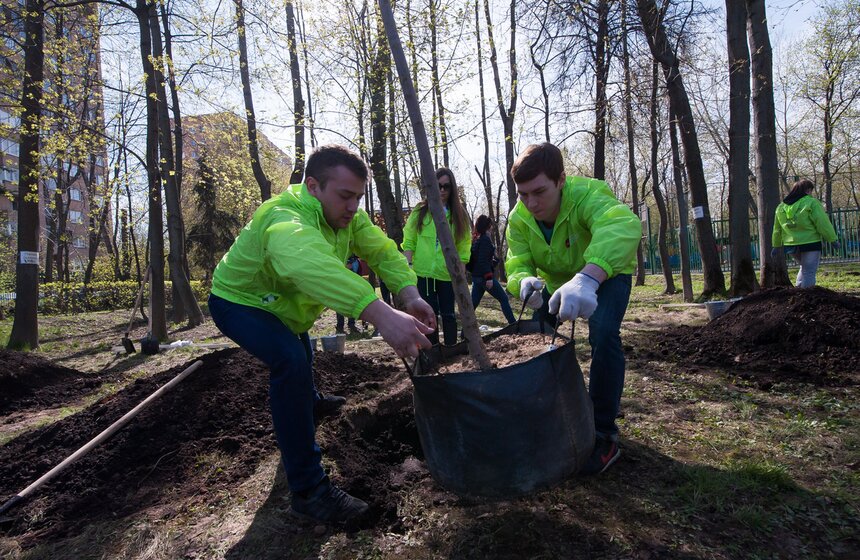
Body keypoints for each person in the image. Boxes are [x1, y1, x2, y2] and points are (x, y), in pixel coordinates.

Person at [208, 145, 436, 524]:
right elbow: (307, 263)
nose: (352, 207)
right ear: (313, 186)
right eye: (344, 196)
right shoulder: (282, 216)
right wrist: (380, 314)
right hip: (239, 301)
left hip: (281, 307)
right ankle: (309, 491)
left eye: (358, 198)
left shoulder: (349, 218)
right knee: (291, 360)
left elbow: (382, 251)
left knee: (301, 349)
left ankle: (308, 404)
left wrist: (408, 293)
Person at [504, 143, 641, 475]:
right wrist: (523, 282)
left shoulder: (588, 195)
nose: (531, 203)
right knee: (538, 341)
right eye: (523, 195)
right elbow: (517, 261)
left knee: (604, 334)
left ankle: (604, 433)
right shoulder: (519, 218)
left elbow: (622, 226)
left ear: (561, 180)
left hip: (604, 274)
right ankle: (553, 417)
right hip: (554, 283)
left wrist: (588, 278)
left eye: (539, 192)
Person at [401, 167, 471, 345]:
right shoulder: (420, 211)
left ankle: (450, 351)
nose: (441, 190)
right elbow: (409, 241)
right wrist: (408, 267)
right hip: (423, 274)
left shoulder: (459, 215)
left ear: (452, 189)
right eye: (437, 186)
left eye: (446, 187)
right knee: (427, 316)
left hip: (448, 276)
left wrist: (460, 275)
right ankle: (430, 352)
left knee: (448, 315)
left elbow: (463, 248)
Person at [771, 179, 838, 288]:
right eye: (811, 191)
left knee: (804, 268)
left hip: (791, 246)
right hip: (810, 242)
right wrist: (832, 239)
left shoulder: (781, 207)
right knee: (809, 272)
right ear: (807, 190)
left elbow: (777, 229)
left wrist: (776, 245)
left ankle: (798, 294)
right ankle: (807, 297)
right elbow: (822, 222)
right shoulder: (811, 202)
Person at [469, 215, 516, 324]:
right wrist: (489, 277)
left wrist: (494, 261)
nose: (491, 227)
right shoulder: (485, 239)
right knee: (503, 298)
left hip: (476, 278)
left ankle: (464, 332)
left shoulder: (477, 238)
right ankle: (513, 324)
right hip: (484, 278)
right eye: (490, 225)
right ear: (487, 226)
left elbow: (479, 260)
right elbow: (482, 261)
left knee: (473, 306)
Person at [336, 256, 362, 333]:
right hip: (341, 284)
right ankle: (340, 326)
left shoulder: (357, 262)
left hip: (353, 284)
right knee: (340, 304)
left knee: (353, 303)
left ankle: (351, 324)